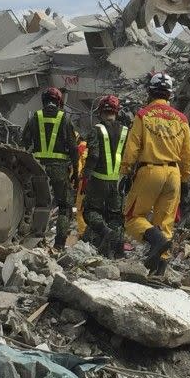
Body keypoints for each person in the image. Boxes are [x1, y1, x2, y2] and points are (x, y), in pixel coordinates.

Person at [120, 72, 190, 274]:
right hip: (174, 174)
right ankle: (159, 270)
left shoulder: (143, 115)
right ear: (170, 94)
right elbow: (188, 154)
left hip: (150, 170)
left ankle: (156, 240)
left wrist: (125, 171)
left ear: (150, 92)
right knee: (166, 222)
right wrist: (185, 178)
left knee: (133, 218)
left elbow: (132, 147)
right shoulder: (182, 119)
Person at [21, 87, 79, 250]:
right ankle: (59, 244)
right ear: (59, 102)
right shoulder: (65, 120)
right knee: (64, 206)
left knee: (34, 204)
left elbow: (23, 145)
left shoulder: (34, 118)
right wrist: (75, 171)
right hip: (60, 169)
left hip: (37, 168)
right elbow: (74, 148)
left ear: (44, 101)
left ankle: (32, 238)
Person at [83, 95, 129, 258]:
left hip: (98, 180)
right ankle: (115, 252)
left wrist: (86, 175)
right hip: (116, 182)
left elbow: (94, 155)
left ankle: (104, 231)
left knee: (90, 211)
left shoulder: (96, 129)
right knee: (115, 216)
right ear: (117, 112)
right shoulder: (125, 131)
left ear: (101, 111)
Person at [75, 134, 88, 239]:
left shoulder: (80, 148)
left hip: (84, 182)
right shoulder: (91, 146)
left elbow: (78, 169)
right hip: (96, 181)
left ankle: (83, 233)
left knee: (80, 208)